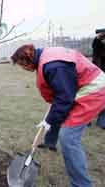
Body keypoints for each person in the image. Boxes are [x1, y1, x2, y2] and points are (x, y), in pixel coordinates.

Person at [11, 44, 105, 187]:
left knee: (68, 137)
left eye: (22, 65)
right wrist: (49, 119)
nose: (23, 69)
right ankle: (50, 143)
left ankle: (82, 184)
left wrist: (49, 121)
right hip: (80, 87)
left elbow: (64, 98)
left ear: (27, 60)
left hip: (93, 89)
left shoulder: (53, 66)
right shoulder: (45, 58)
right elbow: (62, 91)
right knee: (56, 114)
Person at [89, 29, 105, 129]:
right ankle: (86, 119)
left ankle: (102, 121)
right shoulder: (98, 44)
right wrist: (99, 37)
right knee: (92, 96)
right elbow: (95, 46)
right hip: (96, 74)